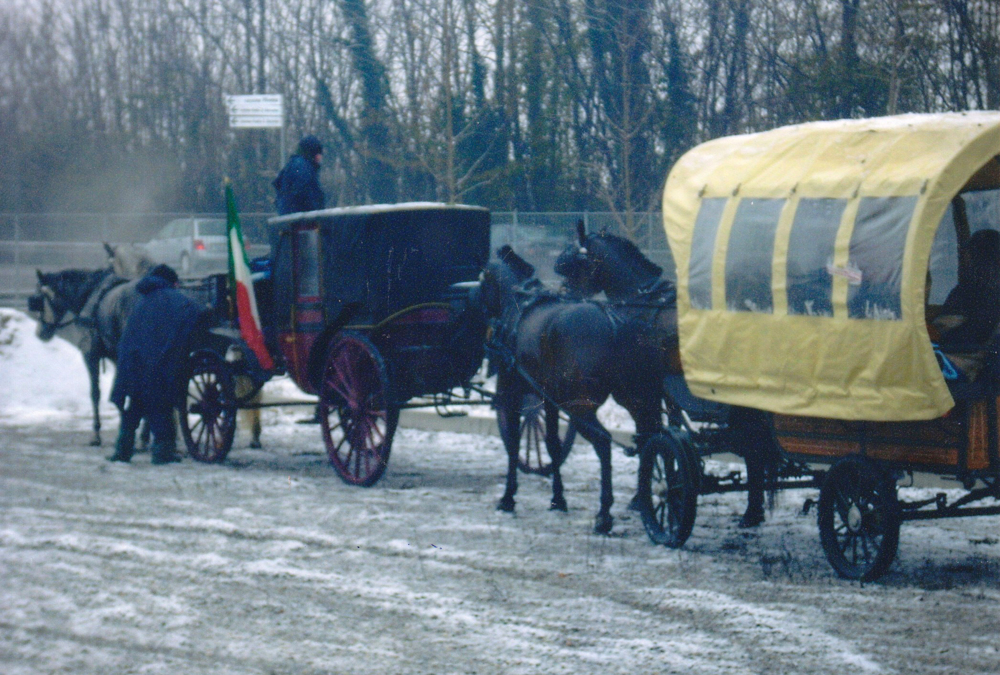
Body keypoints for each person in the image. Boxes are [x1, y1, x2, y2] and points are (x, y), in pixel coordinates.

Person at [107, 264, 210, 464]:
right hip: (158, 366)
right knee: (160, 408)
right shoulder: (177, 300)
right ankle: (162, 452)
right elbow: (198, 316)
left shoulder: (142, 303)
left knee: (132, 410)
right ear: (172, 282)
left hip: (132, 365)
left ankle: (122, 450)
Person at [274, 135, 326, 215]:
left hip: (290, 215)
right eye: (318, 153)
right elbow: (302, 192)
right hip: (300, 219)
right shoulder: (302, 166)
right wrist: (314, 210)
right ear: (312, 152)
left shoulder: (295, 164)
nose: (320, 157)